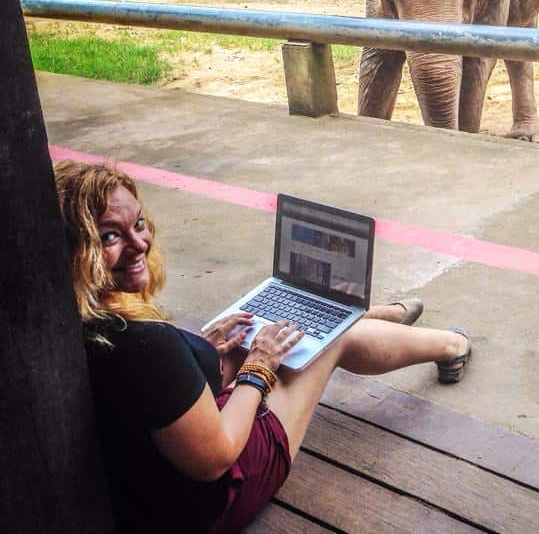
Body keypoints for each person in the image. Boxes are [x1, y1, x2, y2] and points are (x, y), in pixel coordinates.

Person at [54, 160, 472, 534]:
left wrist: (204, 350)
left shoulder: (74, 319)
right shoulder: (142, 344)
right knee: (326, 341)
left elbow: (154, 393)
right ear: (76, 249)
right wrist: (259, 365)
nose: (139, 244)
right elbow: (215, 458)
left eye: (139, 224)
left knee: (266, 332)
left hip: (147, 474)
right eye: (110, 236)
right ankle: (450, 344)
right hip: (215, 496)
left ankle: (373, 316)